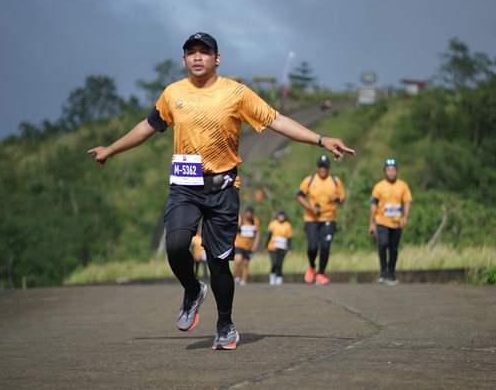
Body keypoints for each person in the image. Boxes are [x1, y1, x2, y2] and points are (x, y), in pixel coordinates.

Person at [87, 32, 355, 350]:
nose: (197, 57)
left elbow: (277, 120)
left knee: (218, 263)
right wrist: (111, 149)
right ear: (183, 60)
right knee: (176, 245)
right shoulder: (173, 94)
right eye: (191, 52)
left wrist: (322, 139)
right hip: (185, 186)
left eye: (204, 52)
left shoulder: (236, 93)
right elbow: (147, 127)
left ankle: (225, 324)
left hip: (223, 188)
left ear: (218, 58)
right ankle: (192, 289)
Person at [296, 154, 346, 285]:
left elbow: (342, 198)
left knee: (325, 246)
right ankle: (312, 266)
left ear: (329, 168)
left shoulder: (335, 181)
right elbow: (299, 196)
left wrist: (338, 198)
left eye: (325, 167)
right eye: (320, 166)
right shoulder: (309, 180)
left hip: (329, 218)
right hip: (311, 219)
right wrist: (310, 207)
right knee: (312, 247)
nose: (323, 169)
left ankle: (321, 273)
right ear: (316, 167)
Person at [368, 158, 412, 286]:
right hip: (382, 221)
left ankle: (391, 274)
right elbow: (373, 206)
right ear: (385, 172)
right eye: (389, 170)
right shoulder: (379, 186)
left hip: (396, 222)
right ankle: (383, 272)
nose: (391, 172)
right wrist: (371, 223)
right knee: (383, 244)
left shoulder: (403, 186)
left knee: (393, 248)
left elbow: (407, 201)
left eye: (393, 170)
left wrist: (406, 217)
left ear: (397, 171)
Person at [233, 207, 261, 286]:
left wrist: (255, 246)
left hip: (248, 247)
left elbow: (257, 235)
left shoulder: (255, 221)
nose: (249, 215)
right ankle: (236, 277)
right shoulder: (240, 219)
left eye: (250, 213)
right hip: (238, 245)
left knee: (245, 263)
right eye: (247, 213)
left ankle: (243, 280)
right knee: (238, 260)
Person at [265, 210, 293, 285]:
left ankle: (279, 276)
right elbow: (268, 236)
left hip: (282, 247)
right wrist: (266, 247)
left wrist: (290, 249)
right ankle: (272, 275)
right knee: (274, 262)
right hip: (272, 247)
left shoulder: (287, 225)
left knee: (280, 263)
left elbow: (289, 239)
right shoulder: (273, 224)